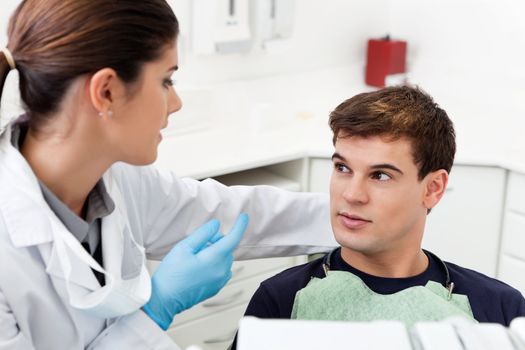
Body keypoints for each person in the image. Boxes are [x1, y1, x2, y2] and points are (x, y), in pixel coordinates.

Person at [0, 1, 336, 349]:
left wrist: (353, 217)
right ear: (107, 92)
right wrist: (155, 312)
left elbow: (230, 211)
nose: (175, 103)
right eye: (166, 80)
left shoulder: (118, 180)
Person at [234, 85, 525, 347]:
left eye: (380, 175)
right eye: (343, 168)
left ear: (433, 188)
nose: (352, 194)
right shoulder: (279, 301)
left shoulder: (500, 310)